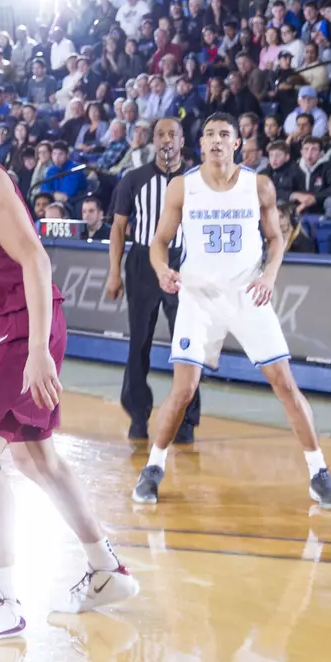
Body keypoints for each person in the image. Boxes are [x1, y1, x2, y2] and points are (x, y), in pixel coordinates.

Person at [0, 118, 140, 644]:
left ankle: (4, 600)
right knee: (36, 458)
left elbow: (34, 255)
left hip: (22, 322)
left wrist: (35, 350)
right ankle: (106, 568)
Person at [129, 113, 331, 510]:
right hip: (198, 296)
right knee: (182, 390)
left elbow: (276, 239)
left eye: (223, 134)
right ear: (201, 144)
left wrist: (269, 277)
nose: (215, 140)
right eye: (208, 134)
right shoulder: (183, 187)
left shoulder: (258, 185)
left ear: (236, 144)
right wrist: (163, 271)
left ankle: (318, 472)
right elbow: (158, 242)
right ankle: (153, 468)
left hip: (247, 294)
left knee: (284, 384)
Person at [106, 119, 202, 443]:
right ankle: (137, 414)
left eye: (172, 134)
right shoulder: (133, 179)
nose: (166, 139)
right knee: (139, 343)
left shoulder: (196, 180)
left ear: (181, 140)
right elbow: (118, 228)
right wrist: (113, 272)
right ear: (152, 140)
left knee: (186, 343)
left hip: (183, 265)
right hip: (143, 264)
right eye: (160, 134)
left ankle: (186, 420)